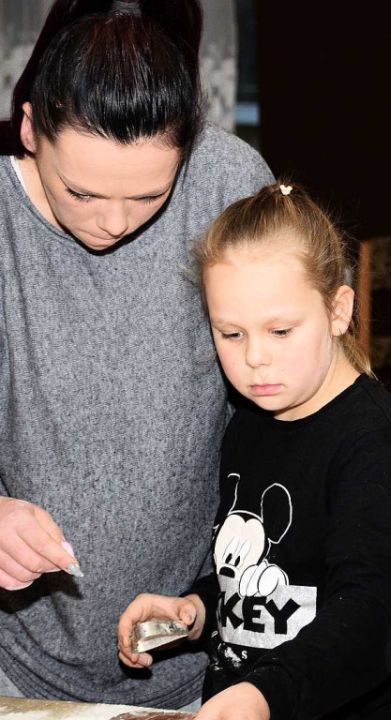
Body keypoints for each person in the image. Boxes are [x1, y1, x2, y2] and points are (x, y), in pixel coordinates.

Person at [0, 0, 273, 709]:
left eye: (151, 194)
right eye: (81, 191)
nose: (114, 223)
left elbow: (302, 392)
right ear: (29, 130)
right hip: (11, 662)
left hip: (198, 647)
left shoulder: (226, 182)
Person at [116, 182, 391, 720]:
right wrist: (195, 611)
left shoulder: (376, 446)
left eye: (281, 330)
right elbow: (264, 575)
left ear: (339, 310)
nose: (255, 359)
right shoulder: (250, 423)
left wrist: (267, 693)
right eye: (231, 334)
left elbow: (371, 617)